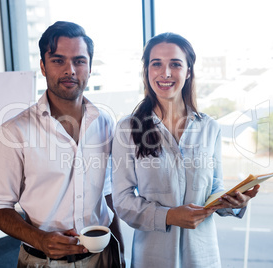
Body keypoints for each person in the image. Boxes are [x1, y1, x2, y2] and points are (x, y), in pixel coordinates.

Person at [111, 32, 260, 268]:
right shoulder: (127, 128)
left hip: (202, 257)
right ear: (146, 70)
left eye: (175, 64)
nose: (165, 73)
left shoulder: (209, 127)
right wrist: (169, 216)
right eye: (156, 63)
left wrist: (234, 202)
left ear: (188, 71)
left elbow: (214, 187)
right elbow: (122, 200)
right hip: (152, 258)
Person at [0, 21, 123, 268]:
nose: (70, 70)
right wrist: (39, 238)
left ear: (90, 67)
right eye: (58, 60)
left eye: (79, 61)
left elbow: (107, 192)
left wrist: (120, 251)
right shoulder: (15, 131)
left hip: (104, 257)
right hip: (43, 261)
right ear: (43, 66)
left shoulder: (105, 123)